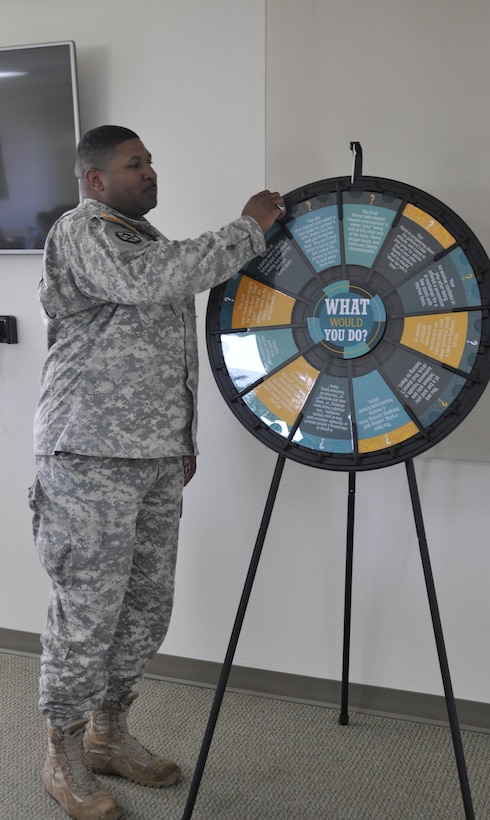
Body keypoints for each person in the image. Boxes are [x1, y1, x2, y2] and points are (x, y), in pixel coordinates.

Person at [28, 124, 285, 820]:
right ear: (95, 180)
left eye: (148, 162)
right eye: (132, 164)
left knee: (143, 609)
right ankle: (63, 753)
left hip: (151, 460)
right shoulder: (83, 232)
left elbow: (169, 353)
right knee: (86, 615)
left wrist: (183, 439)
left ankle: (109, 734)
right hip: (86, 457)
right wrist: (246, 230)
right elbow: (156, 282)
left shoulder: (147, 241)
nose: (148, 171)